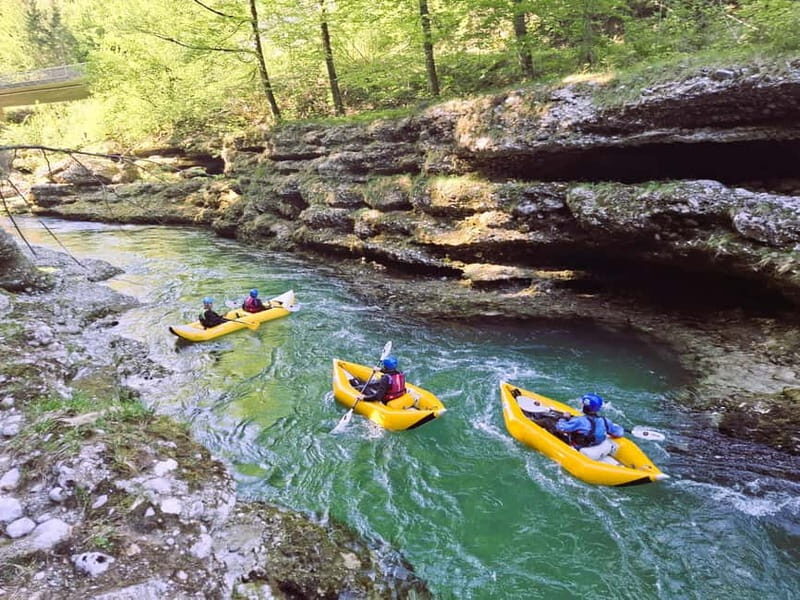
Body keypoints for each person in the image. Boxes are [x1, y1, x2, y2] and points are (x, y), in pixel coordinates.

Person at [556, 393, 624, 461]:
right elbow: (619, 433)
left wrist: (564, 417)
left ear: (584, 407)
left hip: (583, 449)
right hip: (601, 447)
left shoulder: (579, 421)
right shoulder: (605, 420)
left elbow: (560, 427)